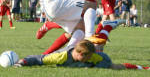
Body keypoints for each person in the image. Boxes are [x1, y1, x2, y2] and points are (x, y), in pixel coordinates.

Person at [14, 39, 150, 70]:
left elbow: (106, 60)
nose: (92, 56)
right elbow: (39, 59)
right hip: (71, 61)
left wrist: (94, 68)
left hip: (95, 64)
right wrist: (22, 62)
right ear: (80, 54)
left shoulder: (94, 56)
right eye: (88, 56)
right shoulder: (60, 56)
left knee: (114, 67)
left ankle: (142, 68)